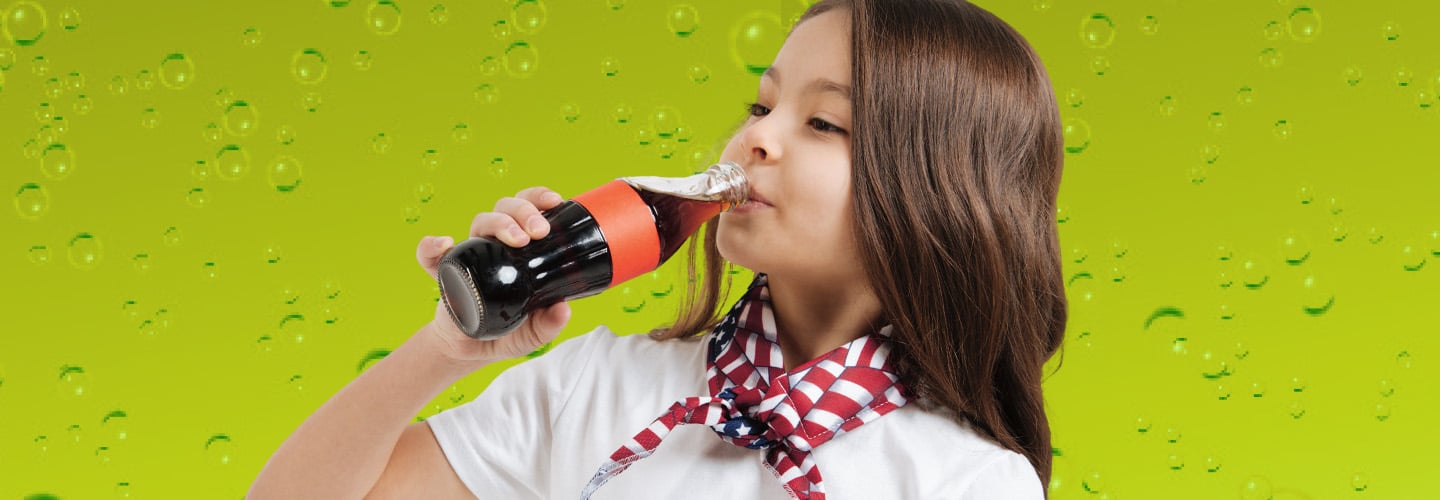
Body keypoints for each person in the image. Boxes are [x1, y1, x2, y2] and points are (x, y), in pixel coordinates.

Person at [248, 0, 1066, 498]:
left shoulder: (967, 484)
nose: (755, 139)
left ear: (939, 193)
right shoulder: (601, 388)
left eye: (823, 123)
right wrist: (446, 349)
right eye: (761, 105)